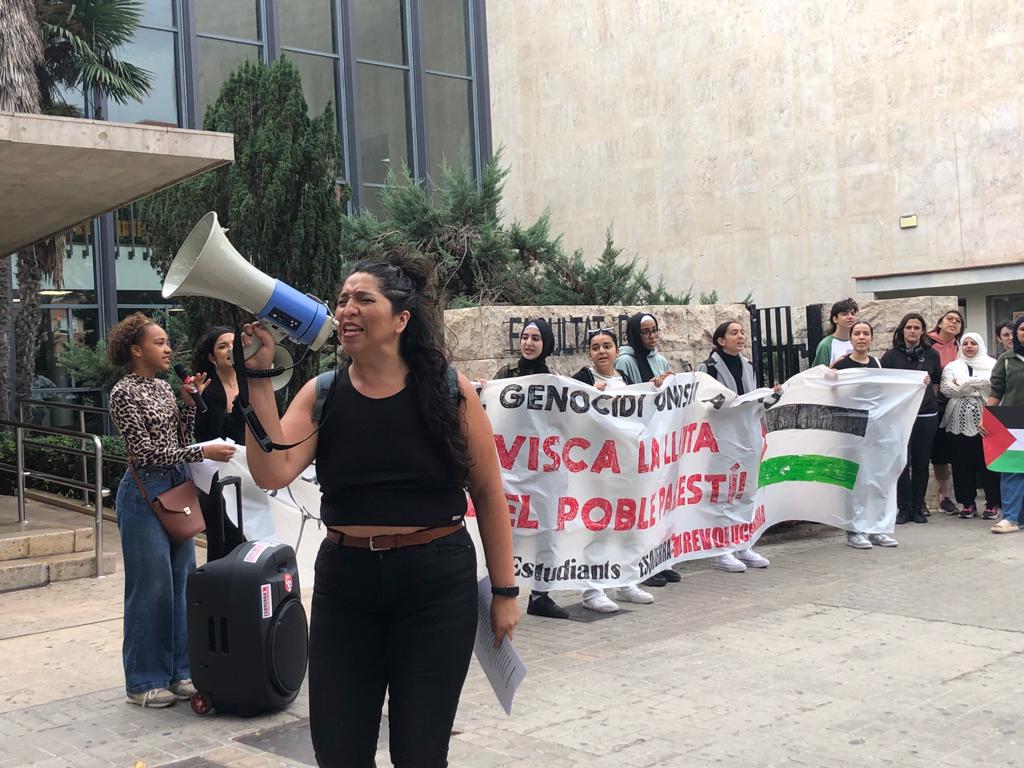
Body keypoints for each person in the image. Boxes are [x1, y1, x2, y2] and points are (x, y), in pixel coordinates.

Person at [242, 255, 519, 766]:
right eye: (343, 298)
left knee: (420, 752)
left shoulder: (448, 391)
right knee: (339, 750)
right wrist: (259, 377)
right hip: (347, 585)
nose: (347, 308)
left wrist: (504, 592)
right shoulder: (323, 393)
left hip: (436, 586)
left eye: (364, 299)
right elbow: (271, 472)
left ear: (401, 319)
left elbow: (488, 491)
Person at [107, 313, 236, 708]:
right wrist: (202, 451)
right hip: (146, 491)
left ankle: (181, 671)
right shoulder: (123, 392)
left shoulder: (164, 388)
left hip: (177, 487)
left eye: (167, 342)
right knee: (151, 588)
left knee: (183, 582)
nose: (168, 349)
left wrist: (188, 404)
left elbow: (179, 437)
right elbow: (146, 452)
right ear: (136, 350)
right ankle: (144, 679)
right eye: (160, 343)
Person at [571, 328, 655, 612]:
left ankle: (626, 580)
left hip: (626, 463)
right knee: (597, 527)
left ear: (617, 351)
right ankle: (592, 590)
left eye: (607, 345)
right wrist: (588, 396)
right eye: (596, 347)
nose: (602, 351)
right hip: (596, 466)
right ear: (589, 354)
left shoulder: (628, 380)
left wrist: (656, 387)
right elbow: (568, 413)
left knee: (627, 523)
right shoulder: (582, 381)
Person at [493, 318, 572, 619]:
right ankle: (498, 591)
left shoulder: (555, 380)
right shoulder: (505, 375)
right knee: (506, 533)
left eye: (536, 338)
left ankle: (541, 596)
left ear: (546, 343)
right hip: (511, 469)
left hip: (544, 472)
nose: (528, 343)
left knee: (547, 534)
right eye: (524, 337)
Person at [699, 321, 772, 572]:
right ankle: (722, 549)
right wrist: (722, 402)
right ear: (721, 340)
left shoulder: (748, 365)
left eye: (742, 332)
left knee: (746, 490)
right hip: (722, 438)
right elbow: (701, 403)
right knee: (723, 494)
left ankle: (743, 543)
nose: (740, 336)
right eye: (734, 333)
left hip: (747, 436)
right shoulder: (708, 367)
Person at [615, 311, 680, 587]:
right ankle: (641, 564)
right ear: (634, 333)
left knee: (658, 503)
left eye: (655, 331)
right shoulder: (626, 361)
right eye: (646, 332)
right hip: (637, 440)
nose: (652, 336)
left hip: (659, 440)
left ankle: (659, 559)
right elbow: (628, 396)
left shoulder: (660, 359)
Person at [833, 321, 899, 549]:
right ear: (850, 339)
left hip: (875, 430)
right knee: (856, 481)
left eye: (866, 333)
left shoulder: (876, 363)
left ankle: (877, 529)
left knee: (878, 479)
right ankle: (854, 530)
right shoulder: (841, 366)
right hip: (851, 431)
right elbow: (832, 394)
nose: (861, 337)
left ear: (871, 338)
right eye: (857, 333)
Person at [880, 313, 942, 525]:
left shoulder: (932, 355)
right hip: (900, 416)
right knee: (901, 463)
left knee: (922, 462)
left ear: (923, 331)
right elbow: (885, 386)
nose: (913, 331)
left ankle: (918, 507)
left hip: (926, 415)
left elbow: (935, 384)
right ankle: (903, 508)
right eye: (909, 327)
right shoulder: (890, 356)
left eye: (917, 327)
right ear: (902, 331)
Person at [191, 326, 246, 559]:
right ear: (212, 358)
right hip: (218, 478)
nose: (230, 350)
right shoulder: (209, 392)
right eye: (223, 346)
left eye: (234, 345)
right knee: (224, 540)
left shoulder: (251, 385)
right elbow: (210, 436)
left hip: (249, 473)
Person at [941, 332, 1000, 520]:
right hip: (958, 421)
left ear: (980, 345)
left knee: (988, 464)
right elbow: (947, 389)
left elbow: (994, 387)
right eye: (965, 343)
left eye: (973, 343)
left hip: (987, 421)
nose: (969, 346)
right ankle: (967, 504)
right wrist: (978, 385)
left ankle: (992, 504)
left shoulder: (993, 364)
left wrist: (963, 384)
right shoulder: (953, 366)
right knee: (961, 464)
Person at [987, 316, 1024, 534]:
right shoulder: (1007, 359)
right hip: (1013, 422)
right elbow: (996, 390)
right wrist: (987, 418)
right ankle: (1010, 518)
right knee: (1012, 470)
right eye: (1022, 329)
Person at [928, 309, 965, 515]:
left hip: (956, 406)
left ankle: (948, 497)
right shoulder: (928, 344)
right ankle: (937, 497)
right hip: (934, 406)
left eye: (957, 321)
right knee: (934, 453)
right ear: (939, 323)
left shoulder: (961, 346)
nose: (953, 323)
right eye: (949, 319)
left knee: (951, 452)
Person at [812, 297, 859, 366]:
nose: (850, 317)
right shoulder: (826, 345)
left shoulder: (858, 341)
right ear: (835, 319)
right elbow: (818, 373)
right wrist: (834, 366)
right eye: (844, 314)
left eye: (852, 313)